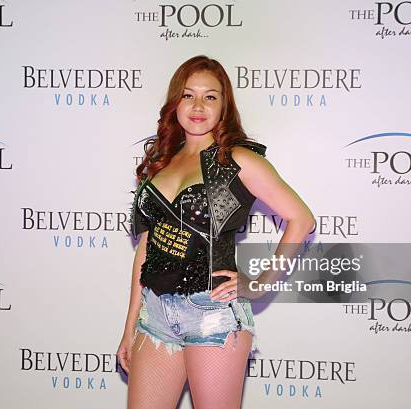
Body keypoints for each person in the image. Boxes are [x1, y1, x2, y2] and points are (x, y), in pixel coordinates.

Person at [117, 55, 314, 409]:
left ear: (225, 105)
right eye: (188, 95)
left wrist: (259, 283)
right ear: (175, 101)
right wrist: (130, 325)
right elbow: (146, 249)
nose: (197, 106)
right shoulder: (161, 160)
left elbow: (301, 219)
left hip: (213, 314)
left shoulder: (238, 160)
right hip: (155, 316)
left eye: (210, 96)